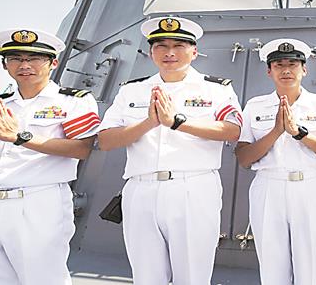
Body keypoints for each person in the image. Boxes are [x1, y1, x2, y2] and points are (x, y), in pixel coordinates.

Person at [0, 28, 100, 285]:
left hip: (37, 202)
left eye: (34, 58)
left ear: (53, 63)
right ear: (5, 65)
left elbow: (81, 149)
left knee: (44, 279)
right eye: (15, 58)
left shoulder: (73, 102)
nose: (25, 65)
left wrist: (19, 137)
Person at [97, 16, 242, 285]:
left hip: (192, 188)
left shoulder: (215, 89)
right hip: (140, 189)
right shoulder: (132, 90)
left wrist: (177, 122)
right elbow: (105, 140)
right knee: (146, 276)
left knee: (192, 276)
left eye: (178, 45)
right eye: (161, 46)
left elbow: (232, 131)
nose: (170, 53)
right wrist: (149, 123)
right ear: (151, 52)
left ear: (194, 51)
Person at [235, 38, 316, 285]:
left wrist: (299, 133)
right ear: (269, 71)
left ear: (304, 69)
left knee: (311, 264)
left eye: (293, 64)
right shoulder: (255, 106)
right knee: (272, 265)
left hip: (310, 187)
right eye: (278, 65)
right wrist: (276, 131)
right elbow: (243, 158)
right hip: (268, 187)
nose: (286, 70)